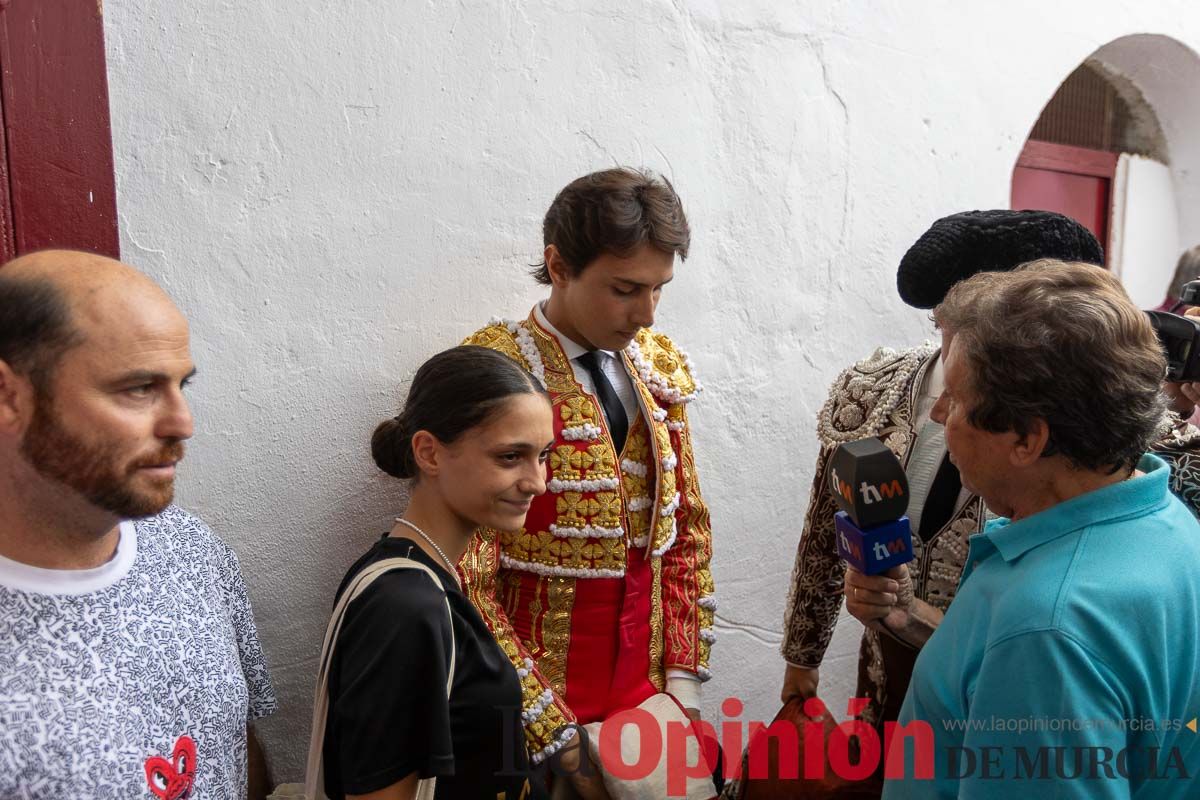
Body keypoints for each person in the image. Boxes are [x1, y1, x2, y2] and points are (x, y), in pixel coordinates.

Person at [777, 210, 1104, 748]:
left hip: (1014, 691)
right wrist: (801, 660)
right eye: (952, 330)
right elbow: (825, 531)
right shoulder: (877, 385)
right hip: (887, 679)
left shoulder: (1097, 421)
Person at [882, 260, 1200, 798]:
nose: (938, 414)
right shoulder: (1165, 520)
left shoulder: (1047, 627)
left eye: (956, 396)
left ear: (1028, 439)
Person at [459, 167, 717, 785]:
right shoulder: (495, 369)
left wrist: (681, 692)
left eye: (659, 289)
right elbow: (468, 576)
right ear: (558, 265)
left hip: (648, 702)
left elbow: (685, 533)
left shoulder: (657, 369)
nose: (647, 315)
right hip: (530, 707)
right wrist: (551, 734)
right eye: (625, 289)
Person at [0, 250, 275, 799]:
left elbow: (236, 746)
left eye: (181, 385)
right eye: (138, 388)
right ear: (8, 396)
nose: (183, 423)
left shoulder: (191, 549)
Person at [319, 345, 554, 800]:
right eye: (510, 457)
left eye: (543, 455)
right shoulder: (404, 606)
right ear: (429, 453)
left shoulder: (420, 577)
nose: (537, 482)